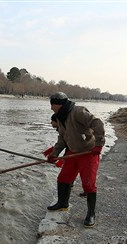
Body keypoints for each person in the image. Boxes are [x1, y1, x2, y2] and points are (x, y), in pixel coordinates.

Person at [45, 92, 105, 227]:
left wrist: (99, 144)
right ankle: (62, 203)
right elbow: (62, 139)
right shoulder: (60, 118)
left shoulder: (78, 112)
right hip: (72, 152)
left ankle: (91, 214)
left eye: (52, 105)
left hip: (89, 153)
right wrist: (54, 154)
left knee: (88, 184)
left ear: (58, 104)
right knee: (63, 178)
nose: (51, 108)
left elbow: (97, 123)